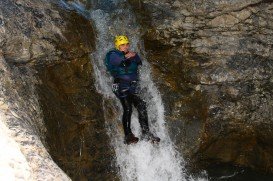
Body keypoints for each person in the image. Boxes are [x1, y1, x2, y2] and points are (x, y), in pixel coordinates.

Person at [105, 35, 160, 145]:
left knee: (142, 105)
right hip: (120, 85)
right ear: (117, 46)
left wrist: (133, 55)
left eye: (127, 44)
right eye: (122, 45)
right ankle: (128, 135)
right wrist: (127, 56)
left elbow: (139, 61)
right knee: (128, 107)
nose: (125, 46)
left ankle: (146, 133)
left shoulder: (132, 54)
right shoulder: (112, 54)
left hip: (131, 87)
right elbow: (118, 61)